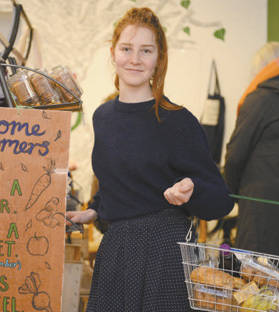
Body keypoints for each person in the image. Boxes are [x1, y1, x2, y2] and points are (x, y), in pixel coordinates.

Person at [67, 7, 234, 311]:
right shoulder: (103, 117)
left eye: (146, 51)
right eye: (127, 49)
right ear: (113, 53)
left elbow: (220, 200)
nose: (135, 59)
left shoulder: (177, 121)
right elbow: (123, 180)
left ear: (159, 58)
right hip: (117, 251)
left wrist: (191, 188)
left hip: (165, 254)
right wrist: (95, 210)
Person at [224, 42, 279, 259]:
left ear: (262, 70)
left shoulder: (259, 100)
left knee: (260, 287)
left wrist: (229, 195)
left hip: (262, 214)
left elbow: (236, 155)